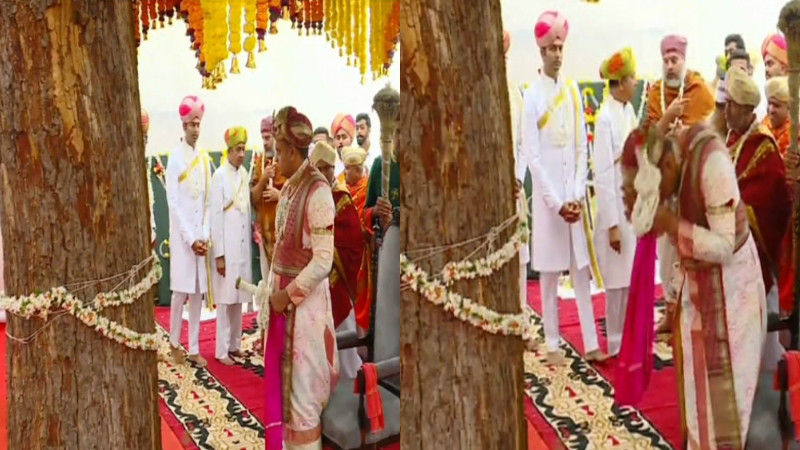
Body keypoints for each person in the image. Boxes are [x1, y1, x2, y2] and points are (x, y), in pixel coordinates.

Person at [646, 122, 766, 450]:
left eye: (663, 188)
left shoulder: (712, 163)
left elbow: (724, 246)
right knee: (696, 400)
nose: (666, 198)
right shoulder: (675, 163)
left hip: (734, 296)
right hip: (698, 291)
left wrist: (674, 225)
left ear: (669, 165)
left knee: (725, 408)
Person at [521, 10, 607, 365]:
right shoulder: (532, 97)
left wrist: (573, 196)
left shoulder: (572, 91)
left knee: (581, 272)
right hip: (548, 205)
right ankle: (553, 344)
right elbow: (533, 156)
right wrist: (556, 202)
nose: (557, 53)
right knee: (551, 276)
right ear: (541, 52)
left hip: (573, 200)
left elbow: (580, 147)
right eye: (551, 48)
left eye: (561, 47)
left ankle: (590, 342)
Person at [262, 106, 338, 450]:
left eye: (279, 151)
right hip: (282, 308)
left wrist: (287, 295)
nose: (275, 158)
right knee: (285, 398)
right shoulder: (291, 185)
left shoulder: (318, 191)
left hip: (304, 314)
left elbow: (323, 261)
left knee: (303, 402)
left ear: (293, 151)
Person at [724, 68, 792, 377]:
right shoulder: (733, 138)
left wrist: (731, 210)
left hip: (755, 254)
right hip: (729, 247)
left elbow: (768, 203)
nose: (726, 111)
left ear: (747, 109)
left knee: (759, 344)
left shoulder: (763, 146)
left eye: (732, 106)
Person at [646, 34, 714, 337]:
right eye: (666, 60)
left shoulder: (699, 90)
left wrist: (684, 130)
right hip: (665, 186)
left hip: (690, 185)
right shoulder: (655, 93)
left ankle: (690, 314)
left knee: (689, 250)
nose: (670, 65)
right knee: (665, 254)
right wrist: (668, 120)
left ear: (684, 61)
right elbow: (648, 142)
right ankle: (670, 310)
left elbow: (709, 133)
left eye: (675, 60)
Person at [593, 48, 638, 357]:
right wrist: (612, 226)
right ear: (621, 82)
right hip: (616, 211)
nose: (636, 83)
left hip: (631, 206)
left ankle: (629, 341)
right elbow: (603, 176)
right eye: (633, 77)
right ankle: (615, 344)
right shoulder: (605, 118)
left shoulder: (627, 111)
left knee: (630, 279)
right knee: (616, 284)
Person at [310, 142, 364, 379]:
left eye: (328, 168)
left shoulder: (341, 197)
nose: (324, 173)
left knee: (343, 331)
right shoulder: (308, 197)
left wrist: (327, 248)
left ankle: (351, 379)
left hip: (336, 278)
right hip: (313, 278)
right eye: (319, 167)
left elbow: (353, 240)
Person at [165, 95, 212, 367]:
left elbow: (207, 202)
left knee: (196, 293)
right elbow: (173, 203)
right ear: (183, 125)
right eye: (190, 124)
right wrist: (190, 238)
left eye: (198, 123)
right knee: (179, 293)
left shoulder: (204, 159)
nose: (195, 128)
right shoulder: (174, 159)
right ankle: (173, 343)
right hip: (184, 239)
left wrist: (203, 235)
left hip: (200, 238)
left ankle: (194, 347)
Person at [210, 127, 253, 366]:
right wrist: (220, 255)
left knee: (239, 297)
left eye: (243, 149)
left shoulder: (244, 173)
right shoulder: (219, 176)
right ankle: (221, 350)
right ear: (228, 151)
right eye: (237, 150)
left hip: (243, 247)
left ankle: (236, 345)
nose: (241, 154)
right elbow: (216, 217)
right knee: (226, 300)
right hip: (227, 248)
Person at [354, 116, 401, 333]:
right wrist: (376, 211)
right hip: (387, 254)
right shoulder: (379, 165)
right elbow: (364, 213)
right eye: (395, 133)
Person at [763, 76, 798, 315]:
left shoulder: (795, 136)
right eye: (769, 104)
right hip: (766, 214)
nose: (771, 109)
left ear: (790, 108)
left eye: (777, 105)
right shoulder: (762, 129)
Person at [505, 30, 530, 311]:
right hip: (488, 194)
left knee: (520, 256)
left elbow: (524, 141)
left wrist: (518, 178)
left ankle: (521, 315)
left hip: (514, 189)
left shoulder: (515, 91)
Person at [251, 116, 285, 280]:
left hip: (285, 236)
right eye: (262, 138)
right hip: (265, 236)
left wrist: (279, 196)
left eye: (268, 138)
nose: (264, 143)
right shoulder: (260, 164)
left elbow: (298, 194)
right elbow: (254, 199)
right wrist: (263, 178)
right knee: (267, 282)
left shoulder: (288, 161)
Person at [341, 146, 369, 218]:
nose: (344, 172)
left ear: (357, 170)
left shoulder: (367, 188)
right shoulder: (344, 187)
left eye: (347, 168)